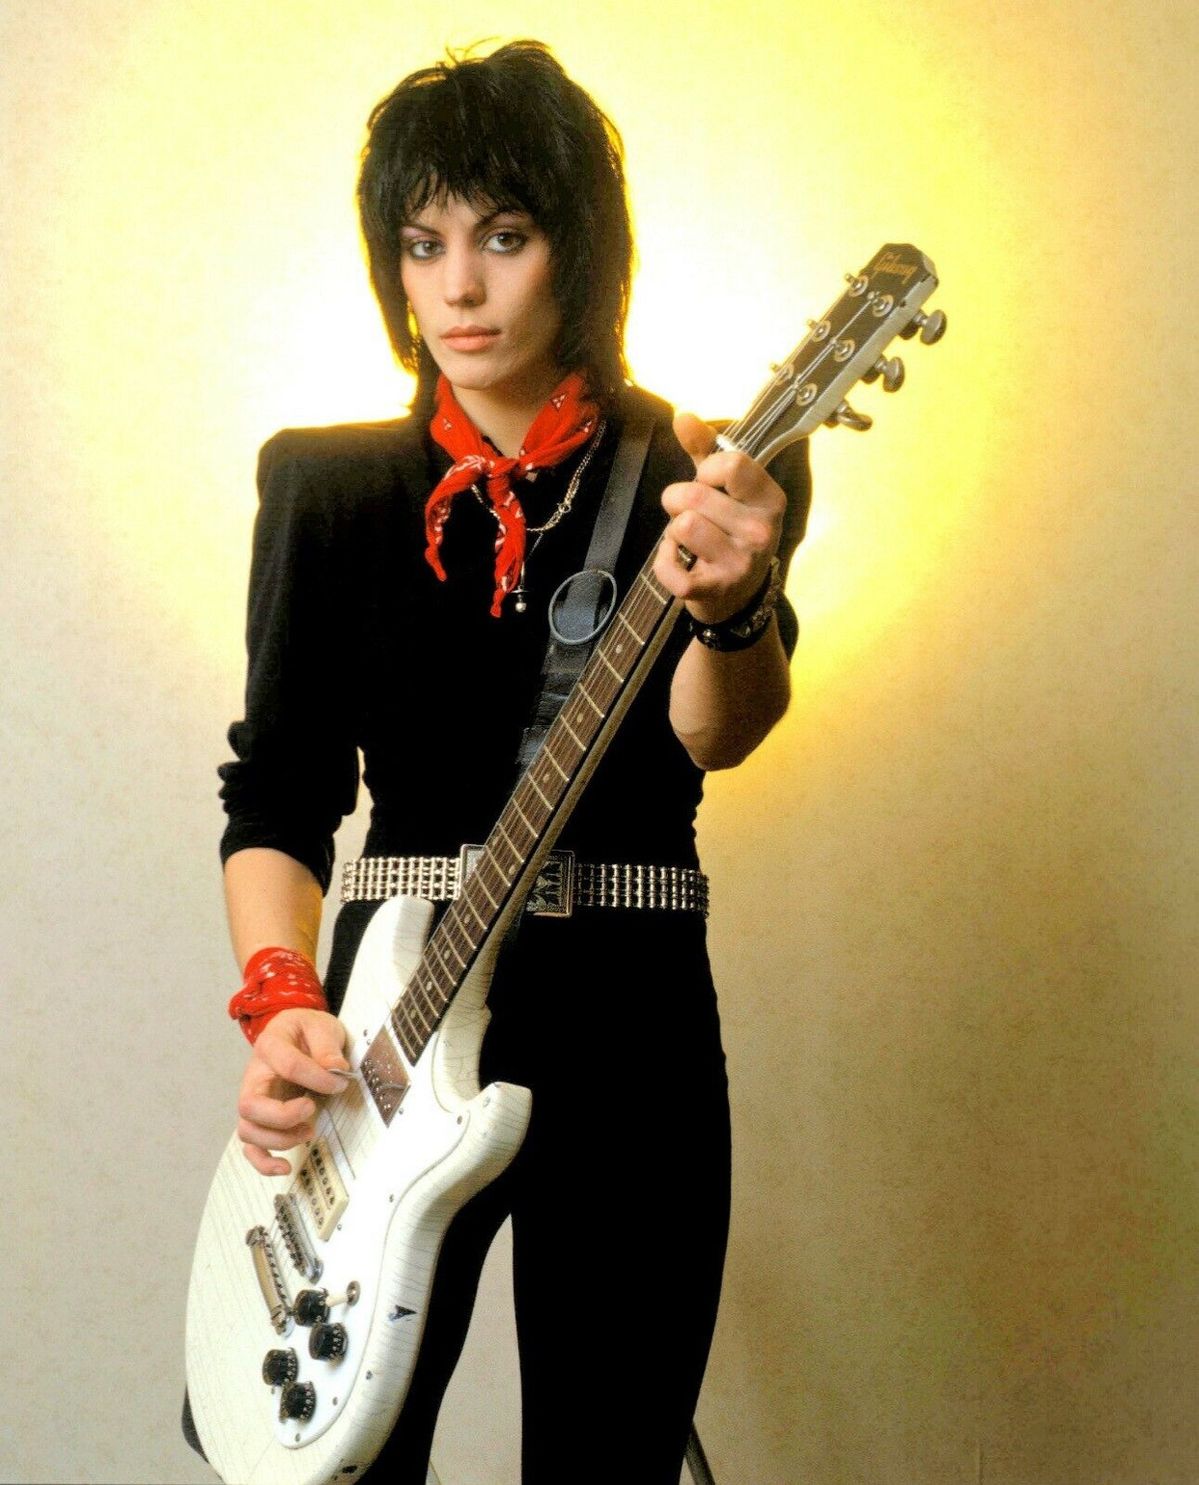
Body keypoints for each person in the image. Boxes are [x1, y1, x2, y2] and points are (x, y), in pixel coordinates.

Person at [211, 39, 809, 1485]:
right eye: (423, 245)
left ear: (577, 249)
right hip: (392, 1016)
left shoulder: (706, 471)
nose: (460, 288)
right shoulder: (325, 485)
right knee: (338, 1457)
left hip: (630, 1017)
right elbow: (279, 791)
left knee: (609, 1454)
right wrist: (283, 998)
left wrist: (731, 605)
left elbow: (719, 732)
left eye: (504, 235)